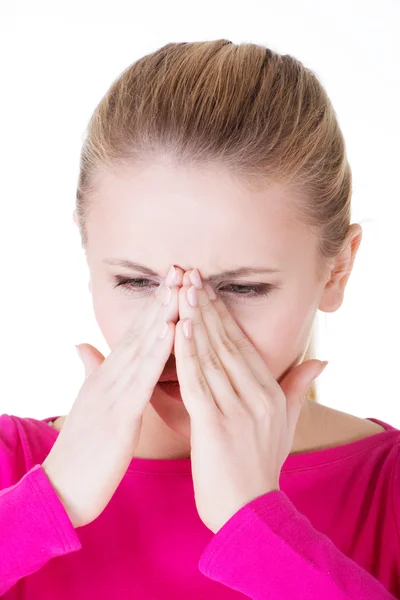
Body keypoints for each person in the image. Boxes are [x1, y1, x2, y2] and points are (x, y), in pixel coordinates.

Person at [0, 39, 399, 599]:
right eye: (137, 282)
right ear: (87, 256)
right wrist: (48, 502)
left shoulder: (389, 492)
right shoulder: (9, 466)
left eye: (241, 288)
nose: (180, 334)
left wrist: (258, 526)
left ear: (336, 271)